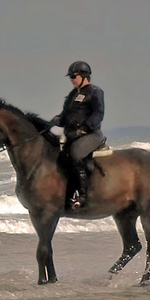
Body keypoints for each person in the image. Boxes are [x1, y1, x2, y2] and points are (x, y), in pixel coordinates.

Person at [50, 60, 107, 211]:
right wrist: (56, 121)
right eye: (71, 77)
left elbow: (98, 113)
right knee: (62, 158)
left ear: (84, 76)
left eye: (74, 76)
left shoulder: (95, 92)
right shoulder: (72, 95)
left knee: (75, 154)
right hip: (72, 135)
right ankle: (68, 195)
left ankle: (84, 196)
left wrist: (84, 128)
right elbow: (65, 116)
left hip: (91, 134)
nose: (72, 80)